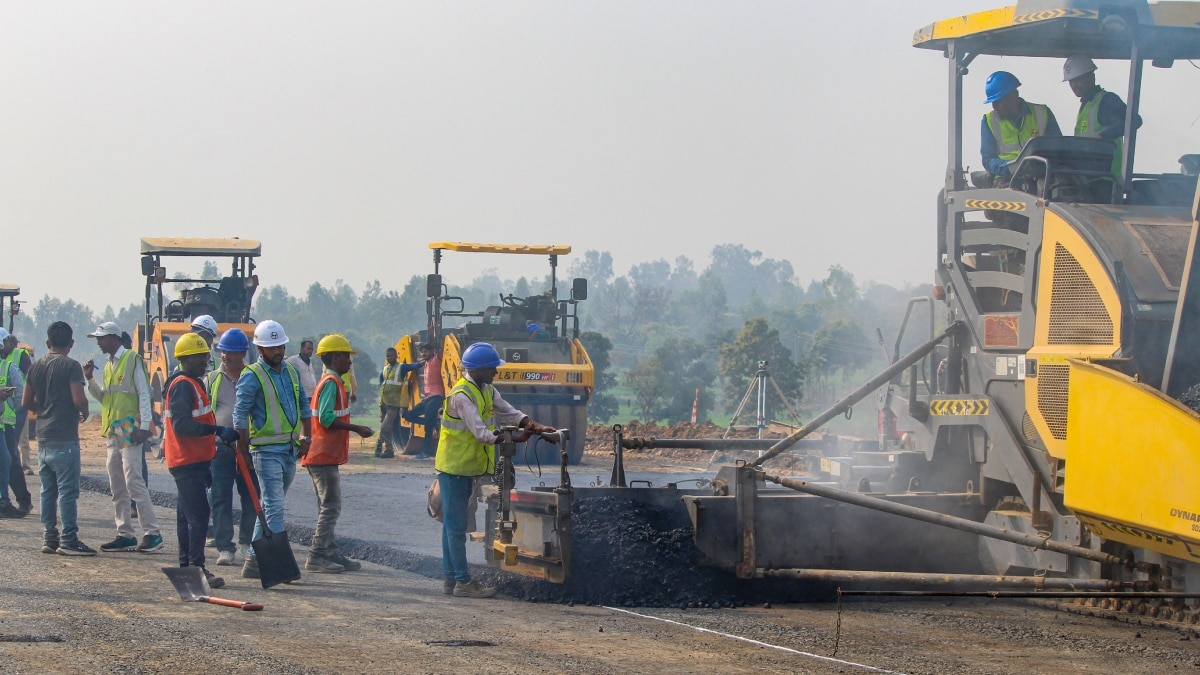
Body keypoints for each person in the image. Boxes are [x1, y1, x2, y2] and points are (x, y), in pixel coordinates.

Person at [436, 342, 555, 598]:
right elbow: (481, 433)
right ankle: (463, 582)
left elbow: (508, 412)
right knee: (455, 527)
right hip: (455, 468)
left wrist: (532, 425)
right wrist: (513, 439)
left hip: (468, 467)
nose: (496, 372)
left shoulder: (487, 390)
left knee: (452, 526)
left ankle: (451, 579)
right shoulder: (462, 396)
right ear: (477, 370)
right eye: (492, 368)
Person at [234, 319, 311, 580]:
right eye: (272, 347)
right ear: (260, 349)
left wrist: (307, 436)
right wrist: (242, 452)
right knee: (275, 508)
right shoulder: (251, 376)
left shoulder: (291, 371)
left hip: (289, 449)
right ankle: (279, 567)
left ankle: (254, 562)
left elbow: (303, 404)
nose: (278, 351)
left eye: (280, 346)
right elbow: (239, 415)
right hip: (265, 452)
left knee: (269, 506)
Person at [83, 322, 163, 553]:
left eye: (101, 338)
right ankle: (125, 533)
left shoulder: (131, 359)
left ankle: (152, 532)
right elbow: (105, 398)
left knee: (133, 480)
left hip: (129, 428)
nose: (98, 342)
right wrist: (89, 379)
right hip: (113, 430)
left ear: (114, 338)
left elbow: (144, 394)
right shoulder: (108, 366)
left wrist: (145, 426)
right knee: (117, 483)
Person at [164, 333, 234, 589]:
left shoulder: (192, 383)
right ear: (187, 359)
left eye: (206, 354)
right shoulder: (183, 385)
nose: (206, 359)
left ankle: (187, 568)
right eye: (201, 355)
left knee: (187, 516)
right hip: (186, 460)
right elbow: (183, 425)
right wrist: (216, 432)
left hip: (191, 459)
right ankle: (196, 569)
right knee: (198, 516)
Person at [21, 322, 94, 555]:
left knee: (47, 490)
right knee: (68, 491)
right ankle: (69, 540)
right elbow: (78, 398)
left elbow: (25, 403)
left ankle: (49, 537)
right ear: (71, 343)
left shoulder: (36, 367)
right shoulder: (71, 366)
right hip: (64, 436)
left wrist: (42, 410)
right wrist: (84, 411)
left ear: (47, 343)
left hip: (43, 436)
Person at [303, 334, 374, 573]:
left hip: (324, 455)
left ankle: (330, 551)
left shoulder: (330, 381)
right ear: (334, 358)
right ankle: (317, 555)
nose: (349, 362)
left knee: (328, 505)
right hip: (321, 455)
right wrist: (357, 428)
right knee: (330, 507)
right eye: (345, 357)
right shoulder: (331, 383)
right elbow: (325, 418)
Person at [206, 329, 259, 567]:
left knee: (251, 497)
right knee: (220, 497)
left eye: (231, 352)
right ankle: (225, 547)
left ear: (243, 353)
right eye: (224, 352)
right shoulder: (212, 379)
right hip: (222, 447)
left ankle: (247, 542)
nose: (226, 356)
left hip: (249, 447)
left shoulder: (254, 377)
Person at [1063, 56, 1141, 186]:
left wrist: (1103, 136)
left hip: (1106, 181)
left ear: (1091, 77)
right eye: (1071, 81)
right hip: (1087, 179)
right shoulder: (1087, 105)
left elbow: (1135, 120)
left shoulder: (1107, 100)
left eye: (1078, 80)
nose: (1074, 85)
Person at [978, 71, 1062, 186]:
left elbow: (1058, 149)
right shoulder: (989, 121)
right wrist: (1011, 168)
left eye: (998, 102)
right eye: (993, 102)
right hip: (1006, 179)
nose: (994, 107)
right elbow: (987, 159)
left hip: (1041, 176)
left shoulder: (1042, 113)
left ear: (1013, 96)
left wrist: (1039, 167)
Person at [0, 331, 31, 516]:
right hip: (6, 421)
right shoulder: (7, 365)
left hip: (8, 421)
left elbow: (23, 390)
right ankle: (7, 501)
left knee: (8, 459)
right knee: (7, 460)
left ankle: (17, 500)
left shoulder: (17, 358)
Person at [1, 329, 35, 476]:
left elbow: (31, 375)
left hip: (19, 405)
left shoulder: (20, 355)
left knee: (23, 438)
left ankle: (26, 465)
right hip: (4, 411)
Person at [376, 347, 419, 458]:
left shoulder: (401, 367)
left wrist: (425, 360)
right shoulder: (385, 369)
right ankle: (387, 449)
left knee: (385, 427)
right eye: (388, 356)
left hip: (394, 404)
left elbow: (413, 366)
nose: (390, 358)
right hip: (383, 403)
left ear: (396, 356)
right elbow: (381, 382)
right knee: (387, 428)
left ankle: (381, 446)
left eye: (391, 356)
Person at [403, 343, 444, 456]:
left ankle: (425, 451)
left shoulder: (436, 359)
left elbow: (442, 352)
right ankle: (433, 421)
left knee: (428, 427)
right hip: (428, 398)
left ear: (432, 351)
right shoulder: (425, 363)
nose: (423, 354)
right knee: (408, 416)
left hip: (436, 396)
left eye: (426, 351)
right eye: (422, 352)